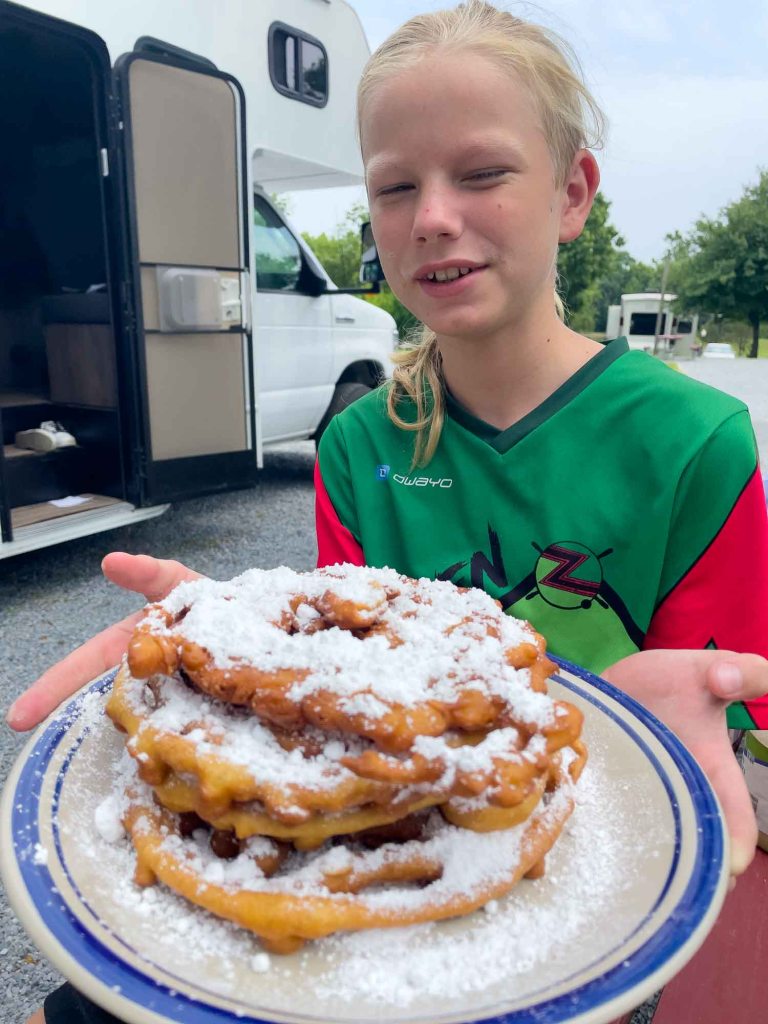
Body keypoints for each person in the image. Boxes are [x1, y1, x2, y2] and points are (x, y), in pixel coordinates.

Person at [11, 4, 768, 1022]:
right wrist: (220, 643)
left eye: (482, 173)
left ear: (572, 193)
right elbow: (341, 686)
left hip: (567, 908)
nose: (432, 217)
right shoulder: (360, 444)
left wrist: (684, 727)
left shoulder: (694, 441)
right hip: (375, 889)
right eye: (395, 186)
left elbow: (735, 709)